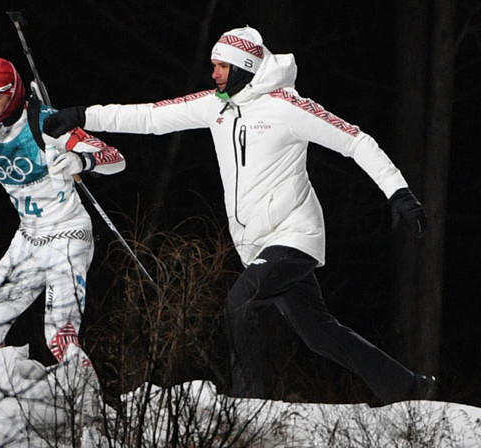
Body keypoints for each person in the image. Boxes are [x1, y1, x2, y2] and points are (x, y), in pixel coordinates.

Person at [43, 27, 436, 402]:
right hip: (255, 243)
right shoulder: (216, 106)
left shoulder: (287, 106)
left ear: (245, 68)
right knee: (319, 334)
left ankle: (249, 404)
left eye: (222, 66)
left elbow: (356, 140)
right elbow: (150, 118)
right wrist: (83, 115)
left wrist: (398, 192)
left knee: (241, 301)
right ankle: (407, 387)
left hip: (294, 233)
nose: (213, 73)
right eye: (213, 65)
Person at [0, 57, 126, 362]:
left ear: (13, 92)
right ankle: (7, 406)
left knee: (60, 338)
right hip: (28, 239)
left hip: (68, 235)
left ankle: (87, 404)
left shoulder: (46, 122)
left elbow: (115, 157)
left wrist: (83, 161)